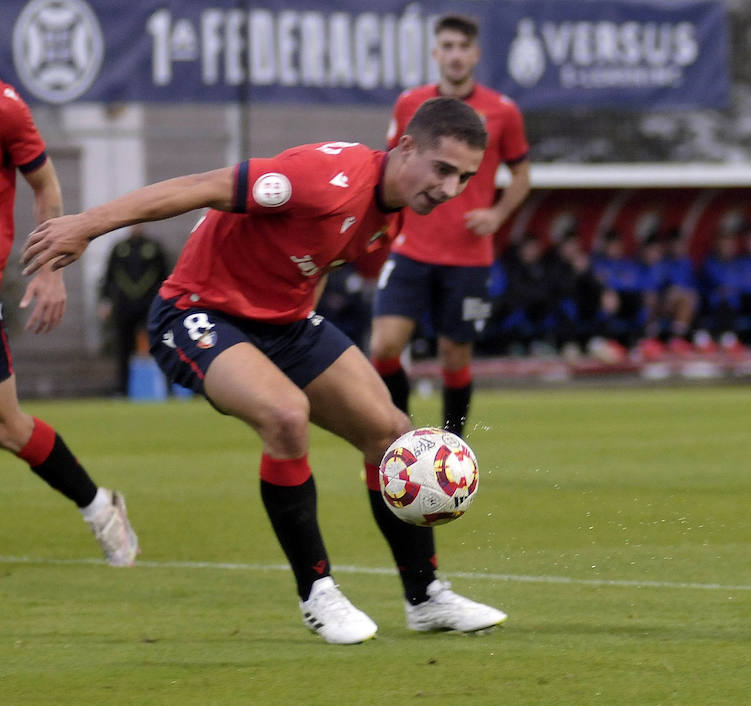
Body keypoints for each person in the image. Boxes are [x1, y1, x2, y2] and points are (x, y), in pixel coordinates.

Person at [23, 98, 507, 644]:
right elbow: (201, 186)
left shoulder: (389, 216)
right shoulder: (325, 178)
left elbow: (315, 260)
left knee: (394, 436)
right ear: (406, 147)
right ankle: (318, 592)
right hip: (197, 313)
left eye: (464, 177)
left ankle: (426, 597)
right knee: (285, 415)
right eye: (443, 169)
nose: (450, 189)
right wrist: (86, 226)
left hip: (288, 324)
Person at [370, 13, 531, 438]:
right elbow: (388, 166)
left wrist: (496, 215)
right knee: (384, 348)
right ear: (435, 53)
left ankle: (453, 448)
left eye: (463, 47)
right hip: (411, 248)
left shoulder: (503, 111)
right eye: (448, 46)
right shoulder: (411, 105)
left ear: (475, 54)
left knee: (454, 355)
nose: (456, 55)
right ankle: (399, 435)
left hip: (469, 257)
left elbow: (522, 176)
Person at [0, 80, 138, 567]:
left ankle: (100, 507)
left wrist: (49, 270)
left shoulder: (6, 107)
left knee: (9, 426)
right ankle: (99, 505)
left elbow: (46, 188)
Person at [98, 225, 171, 396]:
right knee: (123, 349)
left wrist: (166, 302)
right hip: (124, 306)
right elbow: (108, 276)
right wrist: (105, 301)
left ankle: (168, 388)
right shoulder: (119, 248)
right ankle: (122, 390)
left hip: (149, 305)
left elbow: (165, 275)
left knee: (160, 344)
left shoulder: (154, 247)